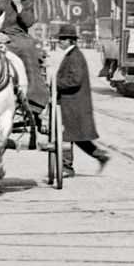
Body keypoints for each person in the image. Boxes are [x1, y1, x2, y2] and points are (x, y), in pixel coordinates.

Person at [54, 24, 109, 177]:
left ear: (70, 41)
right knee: (77, 136)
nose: (60, 42)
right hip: (73, 103)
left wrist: (54, 84)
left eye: (62, 39)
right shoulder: (72, 55)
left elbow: (74, 81)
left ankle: (66, 168)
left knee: (66, 136)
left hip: (73, 104)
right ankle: (101, 155)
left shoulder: (75, 57)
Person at [0, 0, 49, 118]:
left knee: (28, 47)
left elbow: (29, 22)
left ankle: (33, 94)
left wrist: (18, 6)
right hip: (5, 36)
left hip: (22, 36)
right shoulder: (1, 5)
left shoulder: (28, 4)